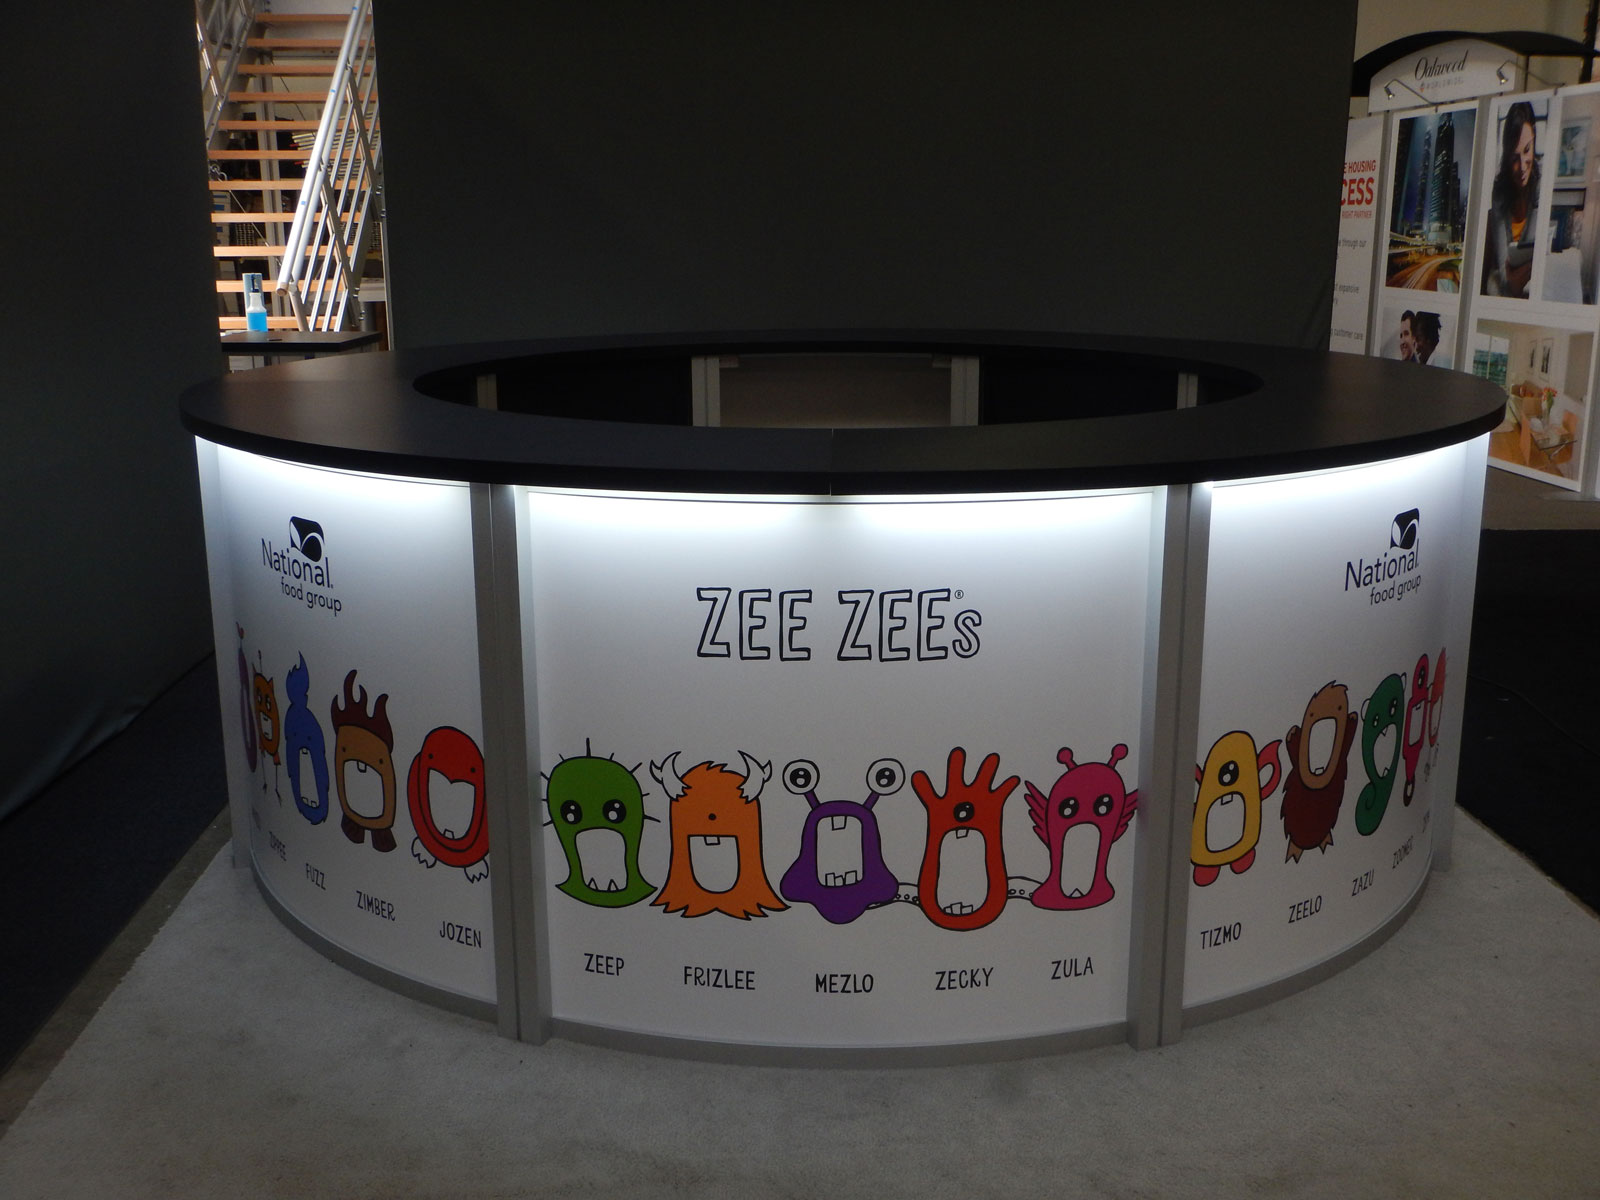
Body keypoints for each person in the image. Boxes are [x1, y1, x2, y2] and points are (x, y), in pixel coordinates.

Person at [1482, 101, 1540, 298]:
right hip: (1507, 275)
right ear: (1507, 158)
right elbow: (1501, 264)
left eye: (1527, 150)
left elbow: (1537, 255)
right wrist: (1512, 282)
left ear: (1534, 142)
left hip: (1530, 274)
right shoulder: (1499, 192)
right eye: (1515, 158)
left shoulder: (1540, 185)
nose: (1522, 166)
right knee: (1494, 286)